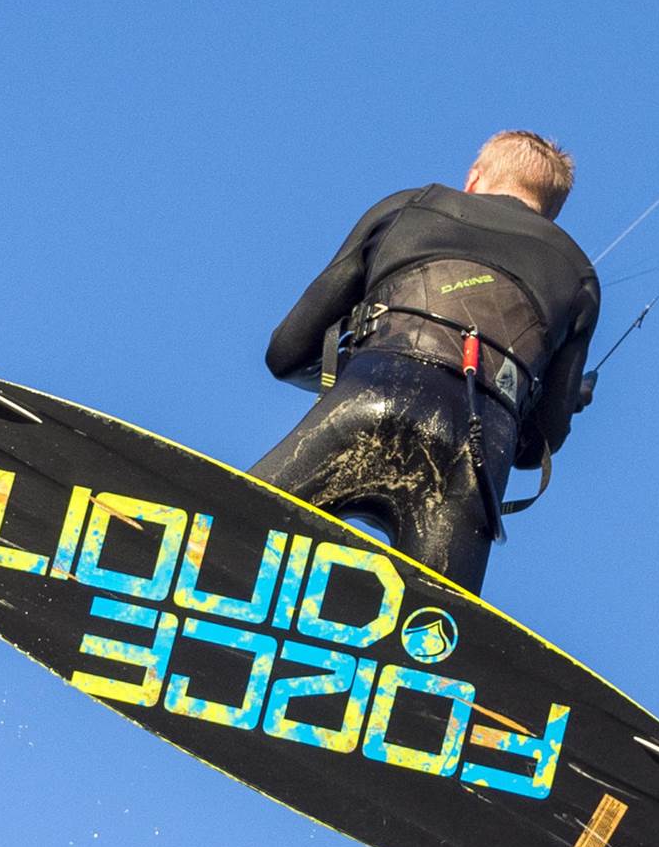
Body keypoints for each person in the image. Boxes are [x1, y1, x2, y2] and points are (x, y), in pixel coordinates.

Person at [252, 131, 601, 593]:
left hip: (368, 398)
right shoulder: (578, 274)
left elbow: (287, 352)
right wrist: (558, 401)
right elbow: (541, 443)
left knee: (241, 527)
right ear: (550, 213)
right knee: (433, 614)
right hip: (472, 459)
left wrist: (345, 371)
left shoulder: (409, 206)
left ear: (474, 178)